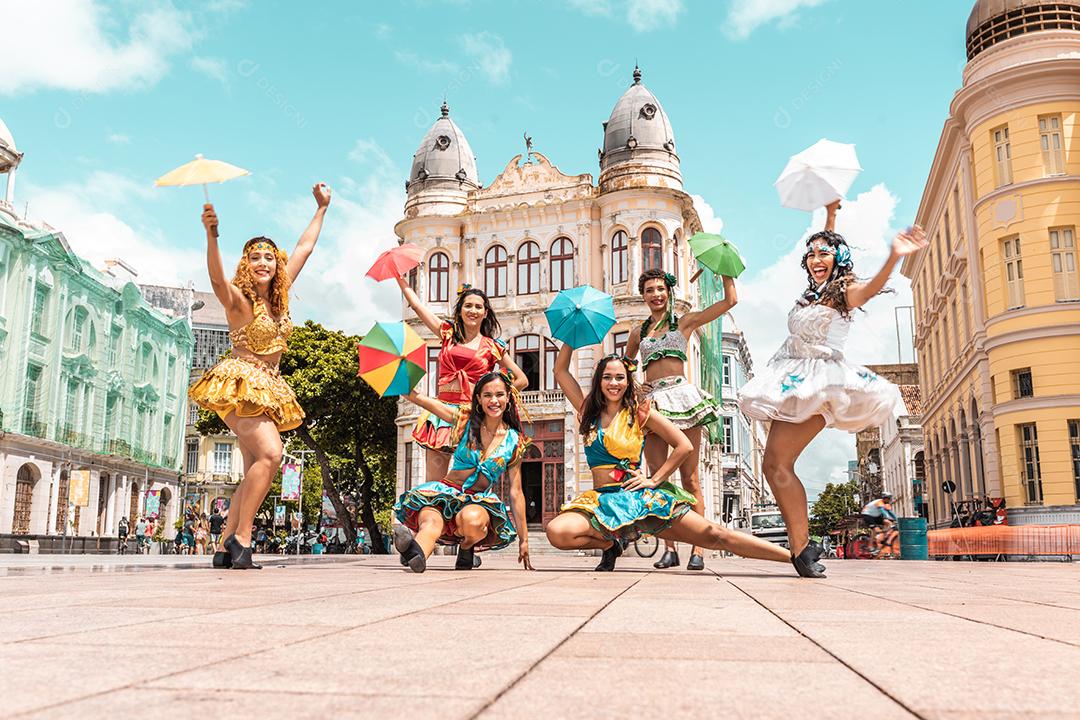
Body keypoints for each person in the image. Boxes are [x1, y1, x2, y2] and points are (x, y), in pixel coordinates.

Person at [738, 200, 926, 577]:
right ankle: (803, 546)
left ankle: (802, 548)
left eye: (823, 253)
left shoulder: (844, 293)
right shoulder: (813, 294)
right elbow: (826, 248)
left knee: (778, 463)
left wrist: (892, 257)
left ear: (838, 257)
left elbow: (870, 289)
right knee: (773, 464)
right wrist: (830, 215)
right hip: (792, 377)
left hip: (819, 383)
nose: (814, 258)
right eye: (810, 253)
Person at [545, 345, 792, 571]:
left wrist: (655, 480)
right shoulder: (588, 413)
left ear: (627, 381)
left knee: (714, 535)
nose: (613, 383)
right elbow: (560, 370)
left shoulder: (640, 413)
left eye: (620, 377)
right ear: (599, 381)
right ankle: (611, 547)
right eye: (607, 377)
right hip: (601, 500)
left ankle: (793, 557)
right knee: (557, 532)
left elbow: (683, 446)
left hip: (638, 498)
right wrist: (571, 336)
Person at [189, 182, 331, 569]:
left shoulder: (280, 294)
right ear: (246, 264)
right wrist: (211, 235)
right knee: (272, 454)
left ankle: (223, 544)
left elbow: (303, 248)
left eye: (269, 256)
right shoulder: (239, 300)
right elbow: (217, 281)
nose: (264, 262)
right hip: (240, 384)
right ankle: (243, 537)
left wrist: (321, 209)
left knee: (257, 468)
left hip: (270, 388)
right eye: (256, 257)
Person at [625, 269, 738, 572]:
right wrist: (636, 386)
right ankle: (669, 548)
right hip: (653, 405)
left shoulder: (684, 322)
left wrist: (726, 275)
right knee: (657, 477)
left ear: (669, 292)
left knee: (690, 479)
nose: (656, 295)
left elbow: (729, 301)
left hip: (683, 399)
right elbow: (625, 364)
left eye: (660, 289)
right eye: (649, 290)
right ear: (643, 295)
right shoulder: (638, 332)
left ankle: (698, 548)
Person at [392, 372, 533, 573]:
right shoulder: (464, 420)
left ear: (509, 397)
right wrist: (399, 375)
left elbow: (516, 493)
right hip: (442, 495)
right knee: (431, 523)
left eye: (500, 394)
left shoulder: (514, 441)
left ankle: (466, 549)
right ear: (479, 399)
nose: (494, 400)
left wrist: (524, 540)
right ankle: (416, 554)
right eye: (487, 395)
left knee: (473, 520)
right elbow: (420, 399)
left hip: (477, 502)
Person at [396, 279, 527, 484]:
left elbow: (522, 379)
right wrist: (399, 279)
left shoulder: (492, 346)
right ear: (460, 310)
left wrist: (492, 395)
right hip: (441, 413)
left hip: (472, 415)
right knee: (434, 483)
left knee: (470, 483)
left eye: (478, 306)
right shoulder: (447, 334)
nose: (472, 310)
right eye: (468, 305)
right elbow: (418, 307)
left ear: (485, 313)